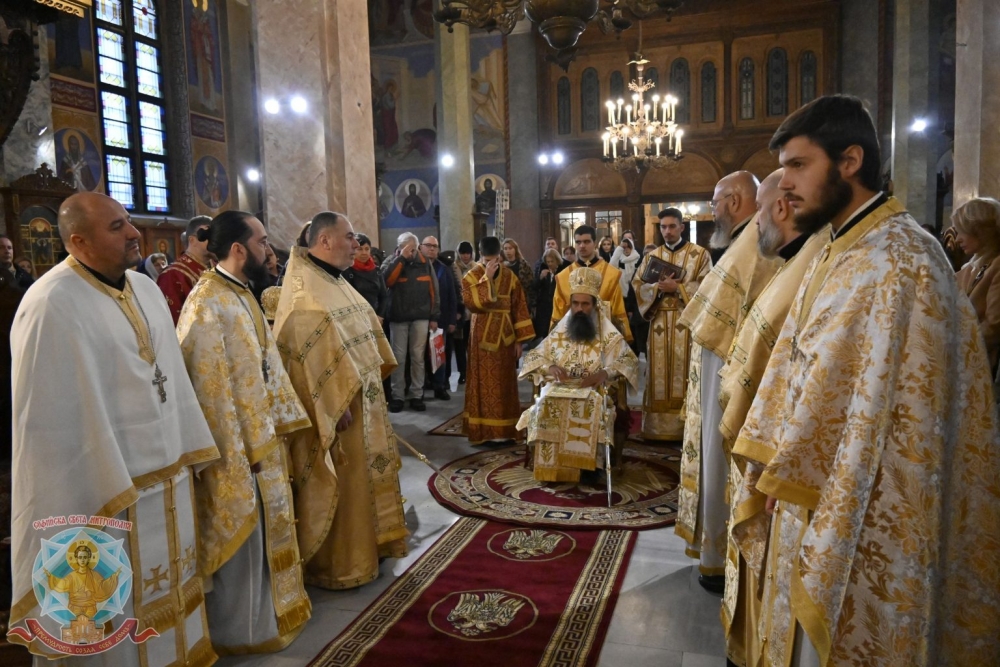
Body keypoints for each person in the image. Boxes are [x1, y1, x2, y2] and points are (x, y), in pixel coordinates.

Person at [736, 94, 1000, 666]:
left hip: (868, 508)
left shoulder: (903, 261)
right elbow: (801, 366)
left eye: (798, 165)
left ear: (850, 161)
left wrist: (791, 471)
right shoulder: (841, 247)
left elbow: (892, 407)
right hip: (811, 490)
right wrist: (778, 466)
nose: (785, 185)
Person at [9, 192, 220, 665]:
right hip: (105, 490)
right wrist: (91, 487)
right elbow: (48, 421)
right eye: (116, 227)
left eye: (128, 221)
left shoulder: (145, 288)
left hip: (167, 474)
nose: (133, 233)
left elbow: (169, 376)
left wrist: (188, 448)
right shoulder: (50, 303)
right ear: (78, 241)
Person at [177, 211, 312, 653]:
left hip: (261, 439)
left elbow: (265, 365)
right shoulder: (205, 304)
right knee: (244, 543)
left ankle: (270, 618)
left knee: (267, 534)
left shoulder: (240, 293)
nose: (269, 251)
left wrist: (277, 426)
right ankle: (240, 633)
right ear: (239, 249)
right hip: (236, 449)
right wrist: (239, 450)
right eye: (262, 242)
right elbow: (207, 390)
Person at [716, 169, 829, 667]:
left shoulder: (820, 260)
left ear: (780, 208)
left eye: (760, 211)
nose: (756, 223)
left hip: (795, 466)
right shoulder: (799, 260)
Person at [274, 211, 409, 590]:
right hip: (339, 411)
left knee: (367, 480)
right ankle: (343, 562)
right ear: (325, 240)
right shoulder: (305, 293)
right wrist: (333, 407)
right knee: (347, 485)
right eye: (349, 237)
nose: (356, 244)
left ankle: (374, 545)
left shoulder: (334, 279)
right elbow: (305, 360)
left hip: (364, 402)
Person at [675, 171, 780, 593]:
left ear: (735, 201)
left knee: (719, 465)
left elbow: (713, 325)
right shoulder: (745, 243)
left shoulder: (751, 246)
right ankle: (715, 554)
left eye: (715, 202)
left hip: (728, 382)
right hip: (724, 375)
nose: (713, 210)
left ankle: (719, 558)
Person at [518, 267, 638, 482]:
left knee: (591, 405)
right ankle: (552, 468)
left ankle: (588, 468)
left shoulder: (607, 332)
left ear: (595, 304)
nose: (579, 309)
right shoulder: (561, 329)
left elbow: (629, 360)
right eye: (575, 304)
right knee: (545, 402)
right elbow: (534, 356)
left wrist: (604, 373)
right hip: (559, 387)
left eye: (585, 304)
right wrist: (549, 367)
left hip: (594, 389)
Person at [632, 209, 711, 441]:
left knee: (685, 370)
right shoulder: (651, 256)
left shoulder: (700, 255)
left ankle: (686, 428)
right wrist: (657, 289)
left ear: (681, 227)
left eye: (672, 226)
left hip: (686, 322)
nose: (667, 231)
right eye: (663, 227)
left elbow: (709, 286)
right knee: (658, 372)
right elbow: (638, 285)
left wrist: (679, 288)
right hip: (658, 320)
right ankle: (656, 428)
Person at [462, 236, 535, 444]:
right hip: (481, 338)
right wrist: (486, 277)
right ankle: (483, 431)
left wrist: (520, 341)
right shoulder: (472, 276)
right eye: (487, 261)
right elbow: (472, 304)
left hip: (505, 338)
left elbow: (519, 307)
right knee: (481, 382)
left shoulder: (510, 276)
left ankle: (505, 430)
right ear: (481, 255)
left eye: (494, 260)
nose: (491, 264)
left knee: (505, 382)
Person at [382, 231, 440, 412]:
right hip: (398, 317)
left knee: (418, 357)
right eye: (405, 248)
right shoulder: (392, 261)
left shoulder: (425, 263)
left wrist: (434, 316)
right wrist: (401, 259)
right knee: (398, 358)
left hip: (421, 317)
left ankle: (417, 394)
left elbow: (434, 290)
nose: (410, 251)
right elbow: (387, 281)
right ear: (399, 248)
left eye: (413, 248)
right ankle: (397, 396)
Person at [953, 197, 1000, 373]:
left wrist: (958, 350)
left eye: (962, 232)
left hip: (981, 365)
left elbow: (994, 326)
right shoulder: (971, 266)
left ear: (981, 231)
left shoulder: (997, 266)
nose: (957, 239)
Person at [420, 235, 459, 400]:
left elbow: (452, 295)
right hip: (419, 318)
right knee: (420, 356)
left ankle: (439, 386)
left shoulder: (444, 269)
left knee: (438, 355)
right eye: (428, 245)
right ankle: (420, 388)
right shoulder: (416, 267)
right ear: (421, 247)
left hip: (441, 319)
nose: (431, 249)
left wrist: (452, 320)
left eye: (434, 246)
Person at [158, 215, 213, 324]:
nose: (215, 241)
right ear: (192, 240)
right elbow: (173, 323)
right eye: (208, 236)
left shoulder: (215, 268)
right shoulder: (172, 275)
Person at [343, 232, 389, 323]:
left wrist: (380, 316)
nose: (364, 253)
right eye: (360, 249)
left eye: (367, 249)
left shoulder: (376, 270)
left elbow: (383, 296)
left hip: (375, 317)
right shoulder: (346, 270)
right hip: (354, 319)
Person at [609, 237, 642, 353]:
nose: (626, 250)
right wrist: (619, 249)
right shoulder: (619, 260)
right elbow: (611, 266)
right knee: (623, 326)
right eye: (624, 248)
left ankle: (635, 352)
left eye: (628, 247)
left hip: (635, 298)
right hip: (622, 297)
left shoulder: (638, 258)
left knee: (634, 327)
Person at [453, 241, 476, 384]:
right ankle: (462, 372)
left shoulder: (477, 267)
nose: (465, 256)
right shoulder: (454, 267)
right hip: (459, 311)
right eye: (463, 253)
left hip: (473, 311)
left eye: (468, 253)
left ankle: (472, 372)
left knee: (472, 345)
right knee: (459, 345)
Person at [532, 248, 561, 340]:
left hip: (556, 305)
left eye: (552, 261)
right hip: (543, 307)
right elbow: (534, 287)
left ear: (557, 261)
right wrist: (540, 277)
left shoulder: (561, 272)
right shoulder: (543, 271)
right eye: (548, 262)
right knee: (543, 332)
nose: (550, 264)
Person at [502, 238, 535, 311]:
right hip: (506, 299)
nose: (508, 251)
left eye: (510, 248)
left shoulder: (523, 264)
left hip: (521, 299)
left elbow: (530, 283)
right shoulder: (501, 265)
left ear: (515, 249)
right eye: (505, 248)